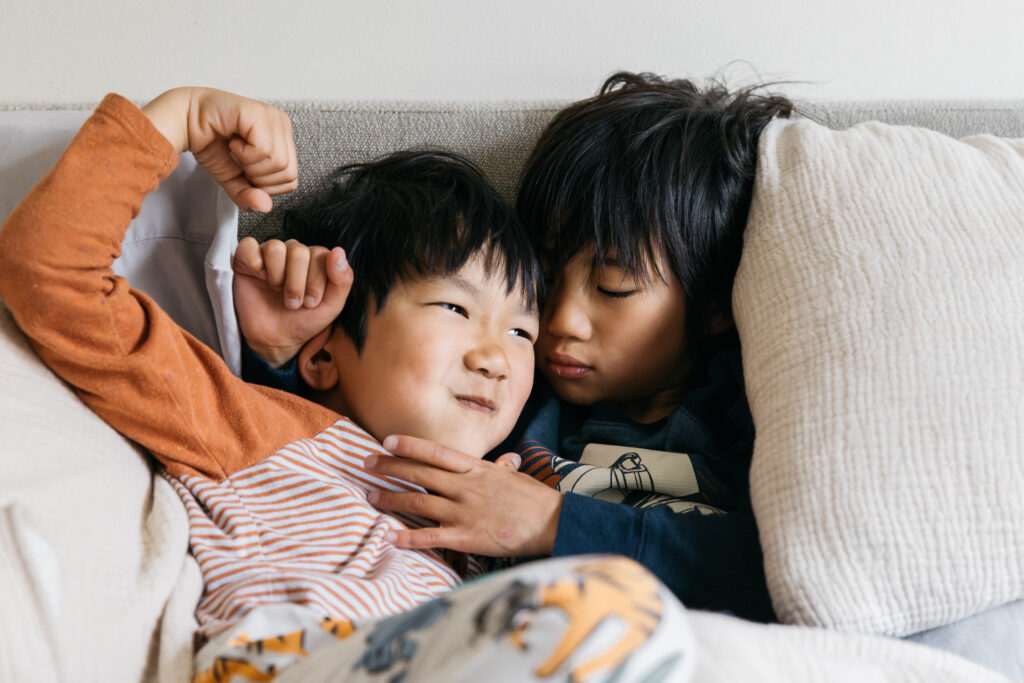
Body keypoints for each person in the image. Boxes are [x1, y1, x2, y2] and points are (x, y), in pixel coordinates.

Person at [0, 87, 696, 682]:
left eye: (522, 332)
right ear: (325, 354)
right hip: (299, 657)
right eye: (455, 309)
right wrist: (176, 116)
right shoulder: (245, 422)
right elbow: (49, 274)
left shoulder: (512, 485)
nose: (498, 357)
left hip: (452, 648)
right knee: (605, 611)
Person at [239, 72, 793, 623]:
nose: (560, 320)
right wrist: (283, 352)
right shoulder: (513, 394)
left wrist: (554, 521)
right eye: (546, 280)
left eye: (613, 287)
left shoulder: (758, 413)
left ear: (717, 302)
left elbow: (794, 575)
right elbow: (341, 440)